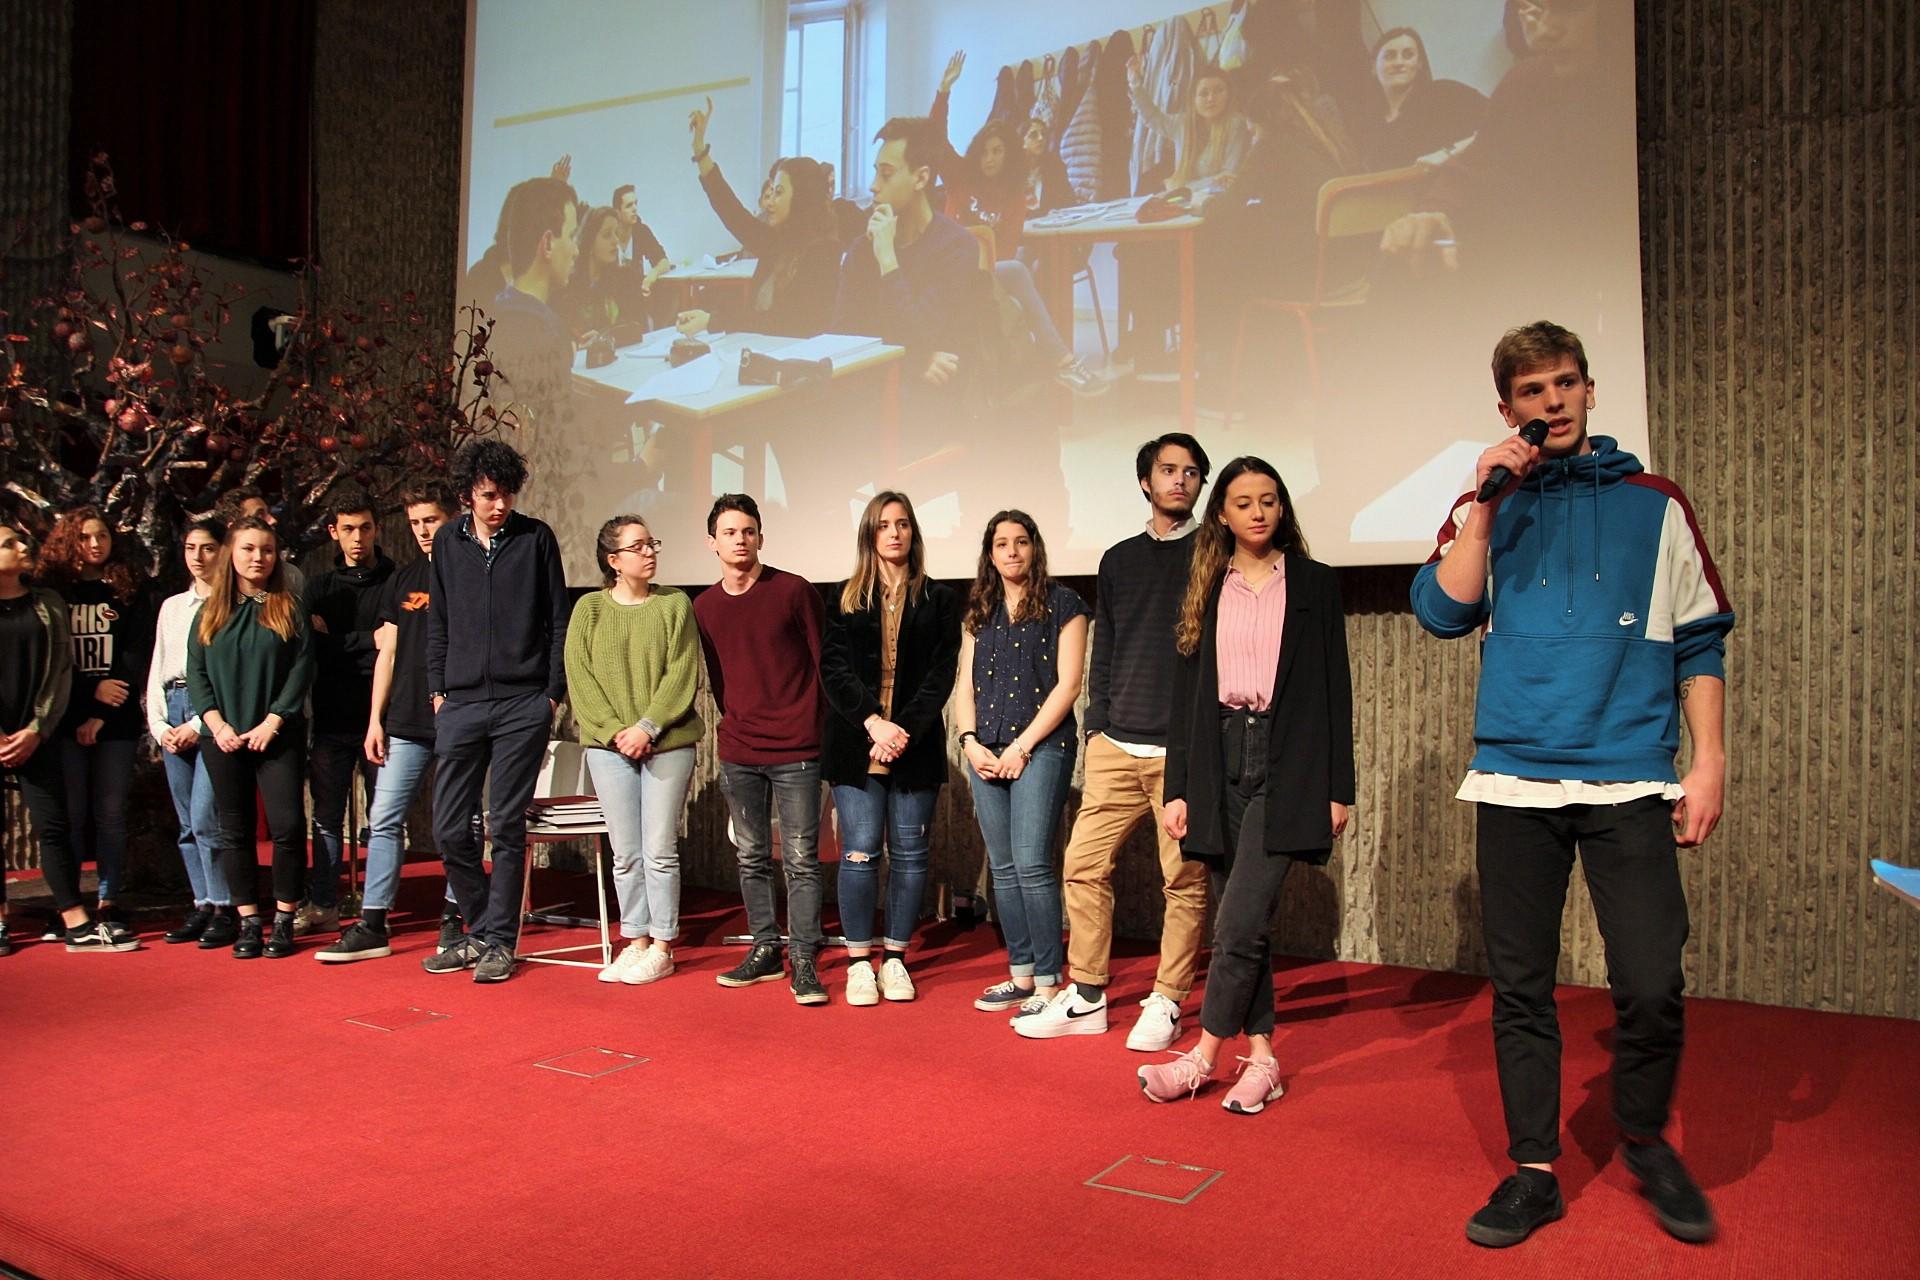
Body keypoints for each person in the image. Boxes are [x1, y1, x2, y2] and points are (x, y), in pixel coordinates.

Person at [1410, 321, 1734, 1247]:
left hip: (1630, 775)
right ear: (1506, 408)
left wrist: (1708, 763)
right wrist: (1481, 500)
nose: (1549, 402)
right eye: (1530, 391)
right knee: (1521, 987)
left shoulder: (1654, 503)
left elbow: (1702, 640)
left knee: (1650, 980)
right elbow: (1442, 610)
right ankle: (1535, 1171)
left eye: (1564, 385)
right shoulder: (1490, 505)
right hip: (1514, 780)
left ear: (1590, 391)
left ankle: (1643, 1135)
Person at [1136, 458, 1354, 1112]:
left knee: (1236, 924)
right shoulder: (1203, 582)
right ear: (1222, 514)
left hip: (1288, 761)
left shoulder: (1313, 583)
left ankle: (1202, 1055)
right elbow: (1184, 699)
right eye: (1242, 502)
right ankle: (1261, 1059)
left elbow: (1334, 689)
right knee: (1245, 922)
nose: (1257, 512)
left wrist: (1338, 786)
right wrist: (1178, 787)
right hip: (1217, 755)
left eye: (1268, 501)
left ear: (1281, 508)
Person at [1017, 433, 1210, 1047]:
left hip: (1183, 752)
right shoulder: (1119, 559)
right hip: (1115, 744)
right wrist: (1097, 723)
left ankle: (1168, 999)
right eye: (1168, 470)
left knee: (1182, 880)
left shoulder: (1215, 551)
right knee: (1082, 866)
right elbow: (1109, 648)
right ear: (1146, 483)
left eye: (1192, 472)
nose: (1180, 480)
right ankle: (1090, 994)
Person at [424, 440, 571, 984]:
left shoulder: (536, 539)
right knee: (447, 828)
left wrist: (550, 694)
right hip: (460, 704)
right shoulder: (446, 542)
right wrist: (437, 691)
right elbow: (438, 622)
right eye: (488, 495)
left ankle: (499, 942)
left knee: (507, 824)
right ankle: (481, 928)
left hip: (521, 704)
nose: (499, 505)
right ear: (467, 494)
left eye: (506, 494)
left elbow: (560, 620)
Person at [820, 492, 960, 1006]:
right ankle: (860, 962)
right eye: (884, 525)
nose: (894, 533)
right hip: (857, 745)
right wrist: (874, 723)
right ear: (869, 536)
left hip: (914, 745)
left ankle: (896, 957)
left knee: (910, 854)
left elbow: (943, 672)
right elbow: (832, 672)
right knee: (859, 852)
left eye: (903, 524)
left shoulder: (940, 600)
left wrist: (903, 730)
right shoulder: (841, 597)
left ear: (914, 533)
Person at [693, 494, 831, 1005]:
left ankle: (803, 958)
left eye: (749, 530)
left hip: (797, 748)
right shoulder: (703, 607)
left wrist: (815, 728)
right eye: (730, 532)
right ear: (713, 543)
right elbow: (717, 679)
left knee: (799, 859)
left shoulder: (793, 591)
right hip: (739, 749)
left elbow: (823, 663)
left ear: (760, 536)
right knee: (750, 855)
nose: (740, 539)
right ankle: (765, 947)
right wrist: (737, 724)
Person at [953, 511, 1088, 1018]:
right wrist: (968, 742)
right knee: (1004, 869)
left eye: (1021, 542)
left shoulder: (1064, 603)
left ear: (1035, 548)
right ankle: (1022, 975)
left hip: (1041, 748)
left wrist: (1023, 746)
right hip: (984, 750)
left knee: (1031, 864)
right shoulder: (979, 611)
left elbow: (1068, 685)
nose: (1012, 551)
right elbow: (964, 684)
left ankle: (1051, 985)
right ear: (990, 554)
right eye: (1002, 544)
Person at [317, 481, 459, 963]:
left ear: (453, 518)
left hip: (459, 720)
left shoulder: (472, 575)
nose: (422, 531)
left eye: (431, 520)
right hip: (403, 721)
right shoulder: (404, 580)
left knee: (458, 823)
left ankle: (456, 918)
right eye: (415, 522)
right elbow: (387, 651)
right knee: (383, 820)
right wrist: (375, 720)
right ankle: (373, 922)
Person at [564, 516, 701, 986]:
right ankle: (635, 940)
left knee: (659, 849)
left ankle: (663, 945)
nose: (649, 552)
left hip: (666, 743)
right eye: (637, 546)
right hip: (608, 748)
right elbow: (579, 678)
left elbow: (682, 674)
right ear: (613, 560)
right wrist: (614, 732)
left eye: (651, 544)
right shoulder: (589, 610)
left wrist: (645, 727)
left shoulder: (674, 604)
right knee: (625, 852)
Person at [931, 51, 1106, 395]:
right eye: (984, 151)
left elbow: (1006, 248)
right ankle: (1062, 362)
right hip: (947, 269)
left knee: (1016, 268)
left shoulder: (1014, 194)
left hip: (986, 271)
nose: (989, 158)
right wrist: (943, 92)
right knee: (1019, 272)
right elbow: (935, 140)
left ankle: (1054, 362)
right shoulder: (959, 177)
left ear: (1008, 154)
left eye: (997, 151)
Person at [187, 516, 316, 960]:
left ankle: (283, 919)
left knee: (287, 827)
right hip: (222, 738)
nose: (258, 557)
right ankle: (248, 922)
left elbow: (301, 670)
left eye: (266, 549)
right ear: (231, 554)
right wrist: (218, 726)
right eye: (248, 549)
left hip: (276, 736)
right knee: (233, 829)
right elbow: (197, 676)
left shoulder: (287, 606)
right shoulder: (209, 612)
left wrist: (273, 722)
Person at [0, 523, 129, 954]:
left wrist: (36, 728)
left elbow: (60, 672)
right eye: (9, 543)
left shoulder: (46, 603)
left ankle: (75, 920)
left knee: (54, 826)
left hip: (39, 734)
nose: (23, 547)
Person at [38, 506, 152, 940]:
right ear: (70, 541)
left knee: (109, 813)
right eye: (85, 537)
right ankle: (71, 906)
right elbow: (51, 663)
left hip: (116, 723)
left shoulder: (125, 590)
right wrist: (87, 701)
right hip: (64, 719)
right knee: (68, 815)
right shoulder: (52, 593)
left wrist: (101, 714)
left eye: (102, 535)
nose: (95, 545)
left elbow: (133, 654)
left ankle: (108, 900)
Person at [832, 116, 993, 394]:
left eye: (886, 174)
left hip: (938, 395)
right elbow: (843, 339)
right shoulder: (861, 250)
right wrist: (917, 359)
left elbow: (926, 333)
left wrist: (888, 260)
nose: (873, 186)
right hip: (877, 385)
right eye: (875, 173)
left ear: (921, 178)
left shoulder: (956, 246)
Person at [298, 491, 393, 936]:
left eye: (366, 528)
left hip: (382, 720)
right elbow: (314, 650)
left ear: (377, 529)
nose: (358, 538)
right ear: (334, 532)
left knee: (384, 818)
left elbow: (396, 647)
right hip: (332, 718)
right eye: (348, 529)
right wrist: (369, 641)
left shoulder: (395, 579)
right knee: (327, 817)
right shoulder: (318, 588)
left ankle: (379, 905)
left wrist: (341, 641)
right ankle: (324, 902)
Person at [678, 96, 843, 339]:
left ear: (801, 198)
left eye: (779, 192)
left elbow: (785, 323)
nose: (771, 202)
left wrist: (713, 320)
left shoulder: (823, 252)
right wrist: (700, 152)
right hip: (761, 355)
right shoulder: (776, 242)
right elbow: (731, 212)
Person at [145, 516, 235, 947]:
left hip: (209, 714)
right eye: (190, 548)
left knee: (206, 817)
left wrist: (197, 723)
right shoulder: (172, 607)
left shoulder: (229, 606)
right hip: (172, 704)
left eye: (208, 548)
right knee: (185, 823)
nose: (198, 557)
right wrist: (159, 723)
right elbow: (158, 667)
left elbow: (222, 677)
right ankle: (201, 902)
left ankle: (224, 904)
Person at [1359, 27, 1488, 169]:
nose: (1399, 63)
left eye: (1408, 55)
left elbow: (1498, 121)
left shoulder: (1445, 93)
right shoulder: (1369, 124)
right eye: (1389, 56)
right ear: (1373, 67)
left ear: (1420, 64)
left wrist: (1448, 153)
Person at [565, 205, 642, 343]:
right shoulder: (568, 286)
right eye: (607, 235)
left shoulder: (626, 279)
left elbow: (637, 329)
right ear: (589, 242)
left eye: (616, 234)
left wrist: (604, 338)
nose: (615, 241)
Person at [213, 487, 305, 596]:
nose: (272, 520)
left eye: (268, 513)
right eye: (260, 515)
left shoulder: (290, 576)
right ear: (233, 527)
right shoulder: (210, 574)